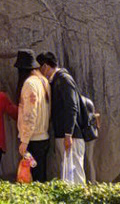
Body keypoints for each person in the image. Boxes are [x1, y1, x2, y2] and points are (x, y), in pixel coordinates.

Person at [37, 52, 87, 185]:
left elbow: (72, 107)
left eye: (40, 68)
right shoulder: (56, 80)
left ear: (46, 66)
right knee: (66, 176)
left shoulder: (64, 79)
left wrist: (68, 134)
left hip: (71, 136)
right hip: (63, 135)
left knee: (75, 175)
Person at [15, 49, 51, 181]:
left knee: (30, 179)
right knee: (40, 177)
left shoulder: (29, 84)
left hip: (33, 140)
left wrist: (24, 140)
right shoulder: (43, 81)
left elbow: (30, 115)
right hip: (43, 137)